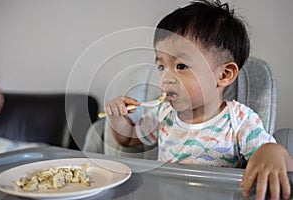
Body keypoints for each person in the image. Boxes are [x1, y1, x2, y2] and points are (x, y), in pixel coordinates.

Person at [104, 1, 293, 199]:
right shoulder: (164, 114)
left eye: (181, 66)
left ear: (224, 74)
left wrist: (272, 151)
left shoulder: (239, 120)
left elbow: (277, 160)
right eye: (161, 67)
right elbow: (129, 139)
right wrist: (118, 118)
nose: (166, 78)